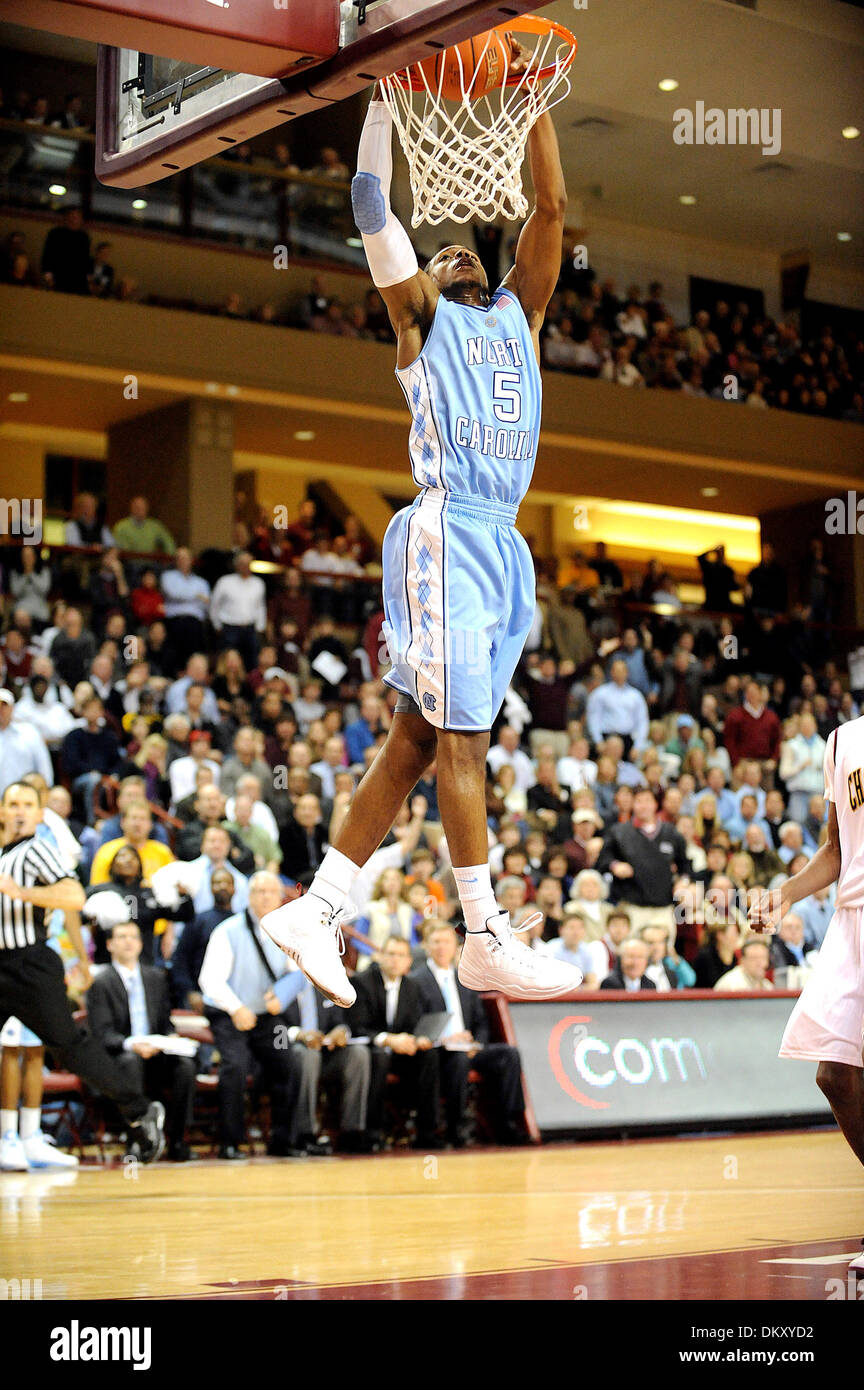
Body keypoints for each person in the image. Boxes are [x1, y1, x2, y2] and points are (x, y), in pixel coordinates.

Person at [749, 716, 864, 1274]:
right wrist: (786, 894)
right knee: (834, 1074)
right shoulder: (842, 740)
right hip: (851, 922)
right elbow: (836, 848)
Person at [0, 781, 165, 1162]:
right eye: (13, 804)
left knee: (70, 1049)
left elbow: (74, 896)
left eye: (28, 804)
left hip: (29, 966)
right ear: (5, 812)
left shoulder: (36, 850)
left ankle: (140, 1111)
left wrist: (24, 894)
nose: (20, 810)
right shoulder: (6, 854)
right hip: (4, 964)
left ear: (41, 814)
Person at [198, 872, 305, 1159]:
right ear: (249, 895)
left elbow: (299, 973)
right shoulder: (227, 931)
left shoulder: (288, 931)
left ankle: (284, 1141)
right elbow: (210, 980)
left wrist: (282, 995)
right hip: (228, 1013)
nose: (265, 896)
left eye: (271, 891)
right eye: (259, 891)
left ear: (280, 897)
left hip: (267, 1017)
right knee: (235, 1066)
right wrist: (236, 1008)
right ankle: (230, 1143)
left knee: (289, 1063)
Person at [86, 920, 197, 1161]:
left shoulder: (156, 977)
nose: (128, 941)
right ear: (109, 944)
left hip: (156, 1053)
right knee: (130, 1060)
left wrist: (169, 1040)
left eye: (134, 937)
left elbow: (165, 1024)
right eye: (122, 936)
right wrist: (132, 1044)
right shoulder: (101, 982)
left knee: (185, 1067)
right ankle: (137, 1140)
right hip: (119, 1057)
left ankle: (178, 1141)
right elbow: (102, 1034)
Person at [413, 923, 527, 1145]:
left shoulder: (465, 978)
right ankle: (457, 1127)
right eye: (436, 942)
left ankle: (509, 1123)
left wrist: (477, 1043)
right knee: (458, 1061)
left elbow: (480, 1021)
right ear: (427, 946)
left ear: (456, 947)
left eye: (446, 942)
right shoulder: (416, 981)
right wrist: (442, 1040)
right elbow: (417, 1022)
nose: (441, 947)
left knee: (509, 1055)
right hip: (440, 1051)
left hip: (469, 1047)